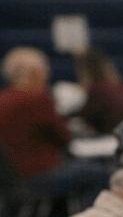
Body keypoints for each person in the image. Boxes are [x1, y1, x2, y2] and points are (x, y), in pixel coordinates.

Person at [0, 46, 71, 179]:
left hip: (11, 177)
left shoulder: (3, 98)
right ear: (35, 72)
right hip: (39, 171)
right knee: (100, 174)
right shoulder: (36, 98)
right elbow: (64, 138)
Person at [73, 46, 123, 135]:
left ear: (86, 71)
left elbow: (85, 117)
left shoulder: (98, 89)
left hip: (113, 137)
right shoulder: (119, 85)